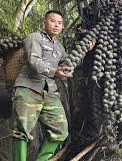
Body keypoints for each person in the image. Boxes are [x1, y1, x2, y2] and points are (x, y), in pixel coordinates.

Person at [11, 10, 95, 161]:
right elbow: (34, 61)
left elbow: (69, 64)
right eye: (53, 21)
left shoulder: (60, 48)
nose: (56, 25)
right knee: (21, 130)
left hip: (49, 93)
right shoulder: (34, 38)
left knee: (61, 131)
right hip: (28, 88)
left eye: (60, 23)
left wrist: (85, 51)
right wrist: (54, 71)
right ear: (44, 22)